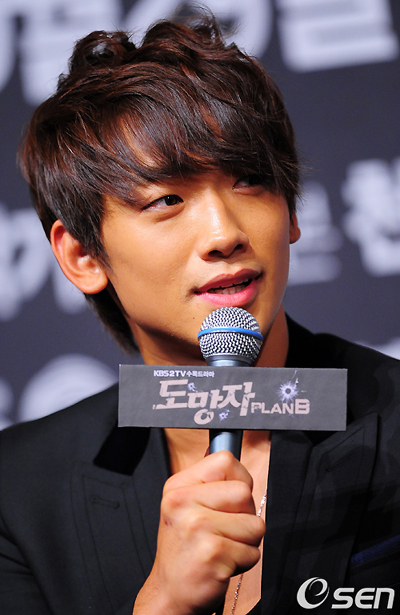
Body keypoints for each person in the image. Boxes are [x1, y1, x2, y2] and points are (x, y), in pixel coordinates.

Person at [0, 14, 399, 615]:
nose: (224, 233)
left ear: (292, 211)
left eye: (250, 180)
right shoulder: (18, 490)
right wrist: (162, 603)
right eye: (167, 199)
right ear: (82, 256)